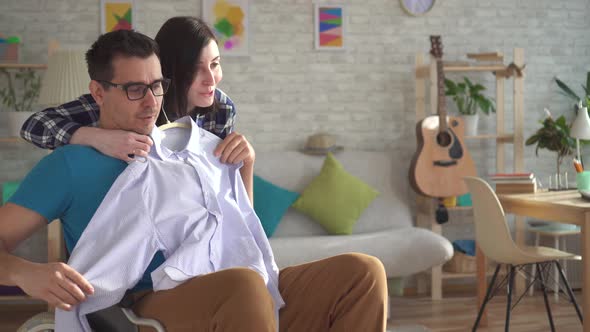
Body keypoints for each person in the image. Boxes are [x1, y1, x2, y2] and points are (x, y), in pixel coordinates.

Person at [0, 30, 388, 331]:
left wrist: (245, 167)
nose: (152, 102)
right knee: (243, 287)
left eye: (157, 86)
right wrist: (23, 271)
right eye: (135, 89)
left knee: (362, 272)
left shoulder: (190, 148)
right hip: (140, 304)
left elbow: (241, 230)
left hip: (234, 286)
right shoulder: (71, 163)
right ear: (98, 93)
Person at [20, 16, 255, 204]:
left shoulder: (222, 109)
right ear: (169, 69)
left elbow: (226, 192)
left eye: (215, 64)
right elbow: (34, 126)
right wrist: (97, 137)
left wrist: (247, 160)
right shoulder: (123, 100)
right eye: (195, 69)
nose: (210, 80)